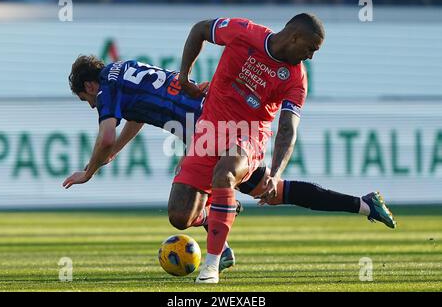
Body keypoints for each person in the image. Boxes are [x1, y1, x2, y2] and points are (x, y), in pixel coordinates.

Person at [63, 54, 396, 281]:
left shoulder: (106, 88)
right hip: (210, 116)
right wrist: (115, 153)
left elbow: (106, 135)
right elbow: (136, 115)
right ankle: (365, 203)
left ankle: (218, 229)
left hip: (208, 125)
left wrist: (89, 170)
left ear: (89, 86)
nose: (91, 103)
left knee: (183, 213)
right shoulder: (124, 69)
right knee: (273, 192)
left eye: (85, 99)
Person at [170, 13, 394, 284]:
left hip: (248, 136)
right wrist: (184, 75)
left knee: (226, 173)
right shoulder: (244, 32)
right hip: (210, 131)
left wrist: (275, 173)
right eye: (311, 48)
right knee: (180, 217)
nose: (311, 56)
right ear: (295, 37)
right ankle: (364, 204)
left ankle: (211, 266)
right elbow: (200, 29)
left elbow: (288, 128)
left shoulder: (296, 78)